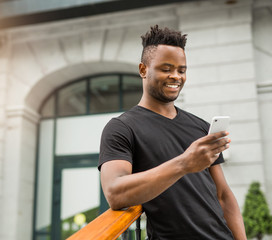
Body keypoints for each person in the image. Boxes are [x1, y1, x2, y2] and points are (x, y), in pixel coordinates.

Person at [98, 25, 247, 240]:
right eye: (166, 69)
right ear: (143, 70)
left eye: (181, 70)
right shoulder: (122, 128)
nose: (176, 76)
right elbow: (115, 192)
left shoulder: (200, 127)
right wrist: (185, 163)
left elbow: (223, 195)